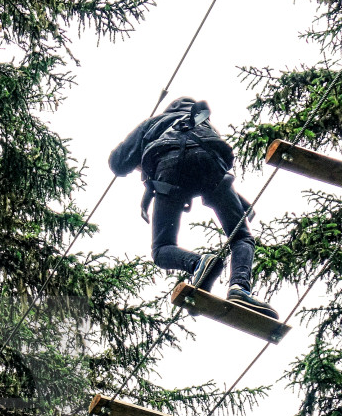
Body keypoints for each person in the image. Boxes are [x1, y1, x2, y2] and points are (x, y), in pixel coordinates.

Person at [109, 97, 278, 319]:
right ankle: (239, 288)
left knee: (162, 249)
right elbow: (200, 155)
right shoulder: (204, 125)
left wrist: (141, 157)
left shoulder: (155, 122)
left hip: (169, 171)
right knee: (241, 237)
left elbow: (117, 163)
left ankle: (198, 263)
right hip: (210, 164)